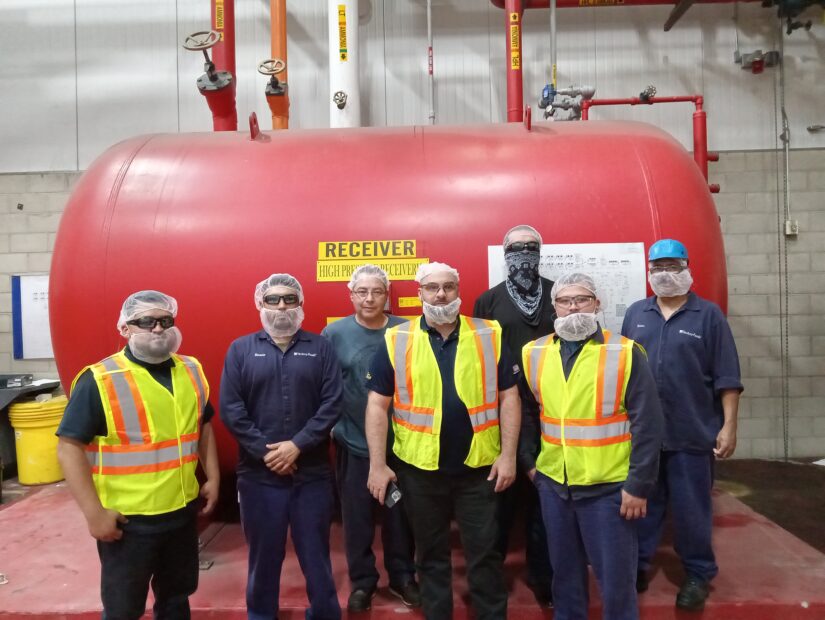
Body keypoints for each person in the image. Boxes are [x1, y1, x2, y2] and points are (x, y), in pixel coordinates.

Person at [365, 262, 521, 620]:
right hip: (420, 470)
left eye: (448, 287)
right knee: (430, 556)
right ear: (419, 293)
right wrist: (377, 464)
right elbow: (377, 403)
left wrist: (508, 455)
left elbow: (509, 397)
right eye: (432, 287)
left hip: (479, 469)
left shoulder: (488, 333)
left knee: (484, 555)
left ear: (458, 289)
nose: (440, 294)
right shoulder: (398, 338)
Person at [57, 290, 220, 620]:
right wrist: (93, 514)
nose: (157, 329)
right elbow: (68, 447)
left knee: (176, 599)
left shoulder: (191, 370)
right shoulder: (100, 380)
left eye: (165, 321)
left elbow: (203, 426)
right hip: (128, 523)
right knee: (123, 609)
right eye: (145, 322)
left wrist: (214, 476)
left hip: (181, 513)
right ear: (125, 328)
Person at [522, 273, 663, 620]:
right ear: (553, 307)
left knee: (616, 583)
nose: (573, 307)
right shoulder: (533, 353)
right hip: (555, 487)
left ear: (597, 304)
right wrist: (530, 464)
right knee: (565, 577)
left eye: (582, 299)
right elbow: (525, 413)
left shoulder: (626, 352)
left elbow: (648, 424)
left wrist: (638, 486)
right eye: (564, 300)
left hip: (610, 490)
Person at [621, 239, 743, 612]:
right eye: (657, 268)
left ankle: (697, 574)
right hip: (644, 437)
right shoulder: (636, 314)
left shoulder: (708, 317)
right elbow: (622, 373)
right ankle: (637, 566)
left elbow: (728, 377)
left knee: (692, 510)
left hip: (692, 431)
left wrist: (729, 427)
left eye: (673, 267)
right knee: (642, 505)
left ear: (688, 268)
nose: (664, 274)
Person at [220, 273, 343, 620]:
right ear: (260, 304)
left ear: (301, 304)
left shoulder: (321, 347)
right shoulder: (241, 349)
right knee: (263, 557)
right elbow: (231, 409)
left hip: (312, 474)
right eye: (273, 299)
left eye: (290, 299)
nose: (282, 306)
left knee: (316, 556)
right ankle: (261, 615)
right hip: (259, 477)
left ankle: (324, 613)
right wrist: (268, 451)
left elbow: (332, 403)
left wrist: (298, 446)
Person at [321, 265, 420, 612]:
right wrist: (332, 427)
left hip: (402, 445)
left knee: (400, 517)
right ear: (351, 296)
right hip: (354, 443)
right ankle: (363, 582)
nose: (369, 298)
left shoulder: (406, 330)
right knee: (357, 518)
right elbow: (326, 386)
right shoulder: (334, 334)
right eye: (361, 292)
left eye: (376, 291)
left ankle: (403, 577)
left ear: (387, 295)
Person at [473, 224, 555, 607]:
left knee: (543, 496)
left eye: (531, 247)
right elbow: (477, 358)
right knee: (498, 499)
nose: (524, 254)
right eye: (516, 248)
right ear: (504, 254)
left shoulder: (559, 295)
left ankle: (544, 579)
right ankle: (491, 580)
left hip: (551, 412)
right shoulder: (488, 301)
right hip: (502, 410)